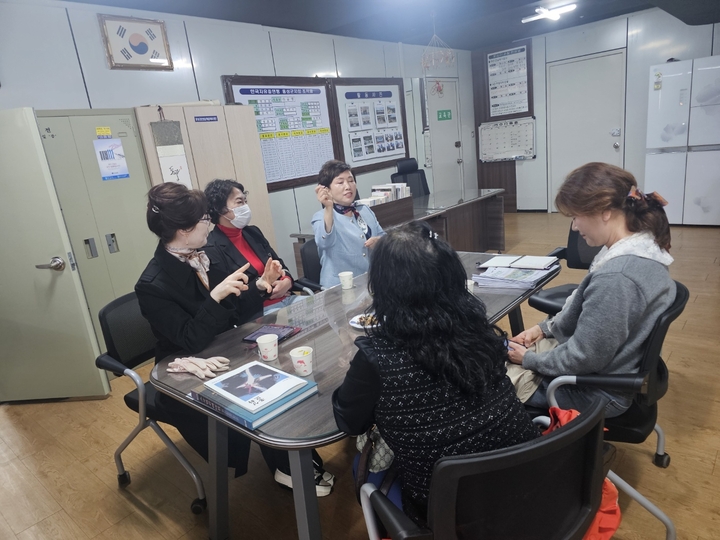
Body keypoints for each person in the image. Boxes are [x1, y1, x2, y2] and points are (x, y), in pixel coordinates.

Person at [332, 221, 539, 524]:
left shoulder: (377, 357)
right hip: (536, 480)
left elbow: (349, 422)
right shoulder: (479, 330)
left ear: (384, 288)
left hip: (454, 515)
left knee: (362, 468)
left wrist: (356, 367)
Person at [135, 182, 334, 496]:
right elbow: (189, 339)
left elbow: (235, 309)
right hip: (186, 367)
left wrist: (260, 286)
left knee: (284, 368)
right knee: (264, 388)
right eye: (204, 220)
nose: (210, 225)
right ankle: (287, 464)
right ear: (183, 230)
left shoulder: (204, 255)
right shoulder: (152, 284)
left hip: (227, 346)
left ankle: (294, 454)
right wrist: (214, 298)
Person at [507, 162, 676, 417]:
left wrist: (529, 360)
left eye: (575, 217)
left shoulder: (618, 277)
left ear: (605, 212)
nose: (575, 227)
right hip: (614, 373)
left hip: (598, 392)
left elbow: (583, 357)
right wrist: (542, 329)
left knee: (491, 386)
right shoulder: (642, 247)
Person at [204, 179, 297, 316]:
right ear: (219, 209)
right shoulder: (211, 248)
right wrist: (262, 286)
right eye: (239, 202)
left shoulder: (253, 232)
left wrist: (287, 281)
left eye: (245, 201)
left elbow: (279, 264)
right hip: (258, 312)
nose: (245, 207)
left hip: (286, 299)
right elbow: (232, 301)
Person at [312, 160, 385, 288]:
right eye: (340, 182)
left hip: (371, 282)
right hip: (339, 288)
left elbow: (384, 237)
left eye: (351, 181)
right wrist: (328, 207)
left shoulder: (364, 210)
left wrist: (379, 241)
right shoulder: (321, 217)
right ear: (326, 189)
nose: (348, 186)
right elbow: (324, 242)